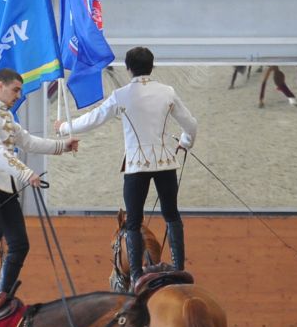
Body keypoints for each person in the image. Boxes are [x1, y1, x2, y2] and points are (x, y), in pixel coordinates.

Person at [58, 47, 198, 289]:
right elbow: (191, 123)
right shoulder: (167, 92)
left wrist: (64, 128)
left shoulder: (121, 95)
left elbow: (94, 119)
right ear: (152, 67)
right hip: (165, 163)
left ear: (129, 68)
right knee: (172, 215)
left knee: (133, 221)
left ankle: (135, 274)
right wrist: (185, 142)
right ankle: (178, 267)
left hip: (136, 166)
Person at [0, 68, 78, 316]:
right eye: (15, 89)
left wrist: (62, 146)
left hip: (6, 185)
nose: (18, 95)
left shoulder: (6, 116)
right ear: (0, 86)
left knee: (19, 243)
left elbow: (28, 141)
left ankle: (1, 295)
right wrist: (26, 173)